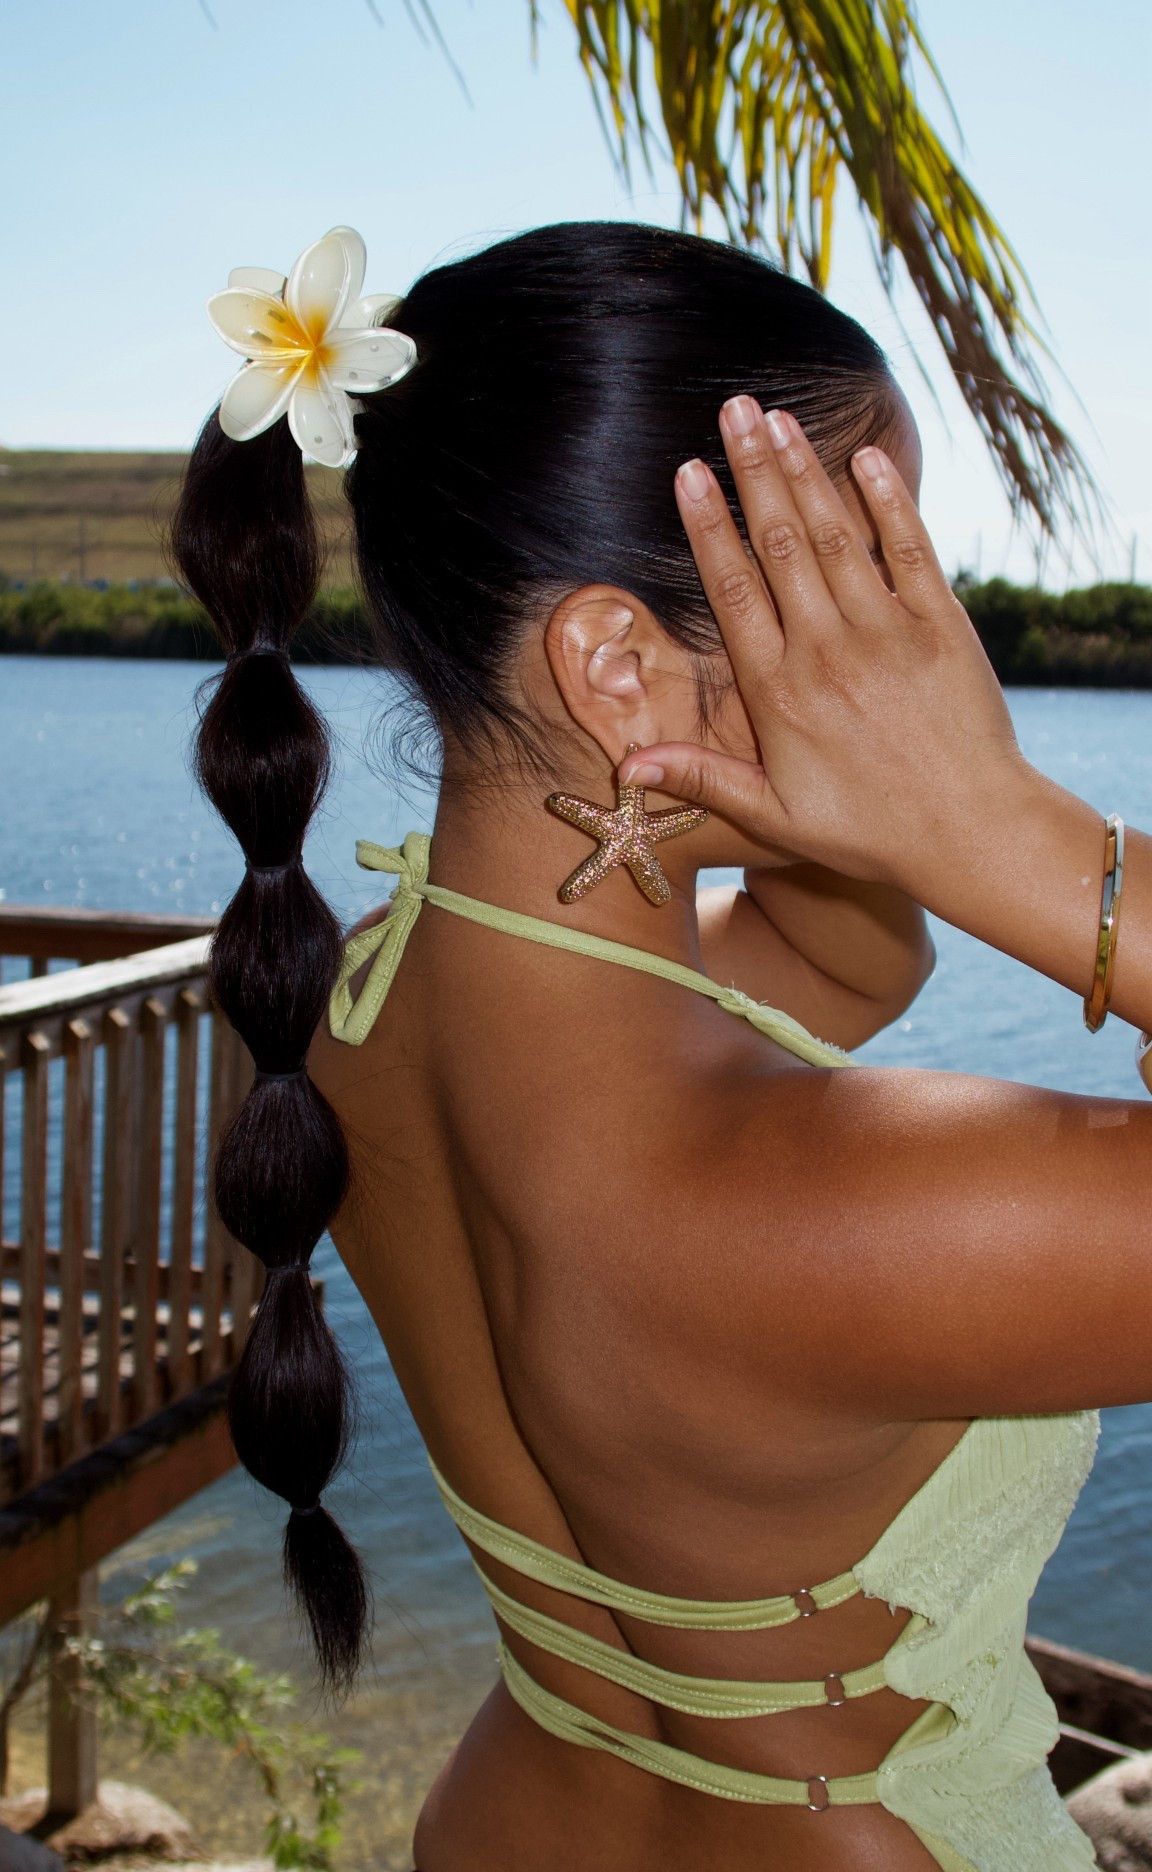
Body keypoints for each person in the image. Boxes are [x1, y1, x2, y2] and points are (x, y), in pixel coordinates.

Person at [172, 220, 1152, 1872]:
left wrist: (874, 808)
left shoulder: (354, 1013)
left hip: (511, 1817)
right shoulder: (843, 1216)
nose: (932, 647)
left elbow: (849, 959)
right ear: (619, 664)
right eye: (881, 577)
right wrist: (1008, 827)